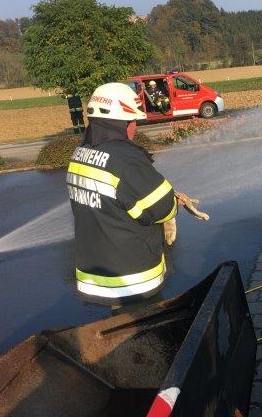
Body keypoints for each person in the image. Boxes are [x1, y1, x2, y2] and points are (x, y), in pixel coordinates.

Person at [66, 82, 179, 306]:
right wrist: (173, 201)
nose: (135, 127)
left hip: (96, 275)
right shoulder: (126, 159)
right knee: (146, 326)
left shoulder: (80, 153)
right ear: (121, 123)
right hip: (134, 278)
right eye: (133, 120)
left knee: (119, 322)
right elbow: (162, 207)